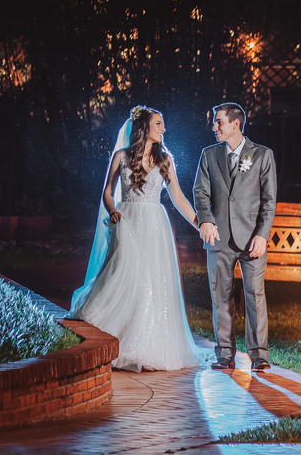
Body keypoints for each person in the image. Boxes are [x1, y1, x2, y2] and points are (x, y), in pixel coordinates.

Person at [68, 105, 204, 371]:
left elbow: (177, 197)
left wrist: (200, 223)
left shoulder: (166, 160)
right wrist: (113, 210)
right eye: (158, 124)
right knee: (124, 274)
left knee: (152, 281)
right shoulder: (121, 156)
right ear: (144, 128)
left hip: (155, 224)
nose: (163, 129)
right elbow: (107, 192)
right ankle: (111, 334)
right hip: (127, 220)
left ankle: (145, 345)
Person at [193, 102, 277, 372]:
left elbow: (269, 201)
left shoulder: (262, 155)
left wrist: (262, 235)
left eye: (219, 122)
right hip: (218, 238)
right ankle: (225, 355)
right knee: (221, 297)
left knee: (254, 295)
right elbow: (200, 193)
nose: (214, 127)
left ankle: (259, 356)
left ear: (235, 124)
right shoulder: (208, 155)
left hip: (252, 238)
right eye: (215, 122)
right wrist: (205, 219)